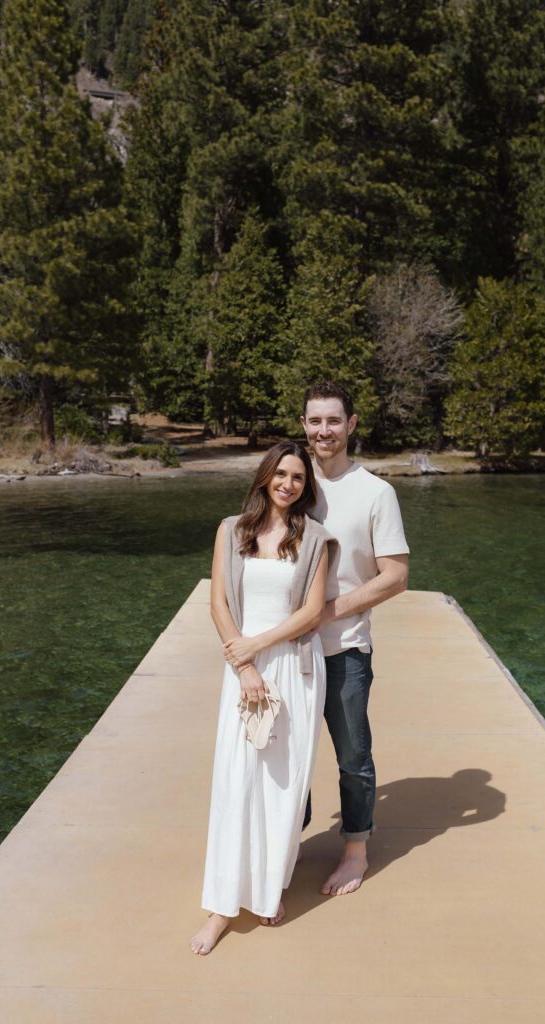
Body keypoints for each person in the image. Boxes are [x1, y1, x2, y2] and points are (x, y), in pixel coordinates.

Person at [191, 441, 331, 956]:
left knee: (282, 785)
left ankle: (269, 891)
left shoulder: (317, 539)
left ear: (305, 486)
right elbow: (218, 602)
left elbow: (312, 612)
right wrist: (245, 663)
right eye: (281, 474)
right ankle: (221, 908)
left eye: (298, 477)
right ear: (265, 476)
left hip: (294, 669)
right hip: (242, 667)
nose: (288, 484)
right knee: (236, 781)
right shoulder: (231, 530)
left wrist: (258, 646)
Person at [301, 381, 409, 897]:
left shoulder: (375, 493)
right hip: (287, 650)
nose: (325, 430)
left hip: (344, 648)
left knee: (352, 756)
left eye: (333, 421)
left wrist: (325, 613)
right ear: (304, 425)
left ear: (352, 424)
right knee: (285, 753)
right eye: (315, 421)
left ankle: (355, 850)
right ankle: (282, 840)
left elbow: (395, 576)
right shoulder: (291, 483)